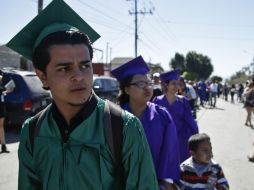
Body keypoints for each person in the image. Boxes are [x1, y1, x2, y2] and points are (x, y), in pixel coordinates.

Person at [7, 0, 159, 189]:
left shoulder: (122, 127)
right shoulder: (32, 131)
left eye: (85, 66)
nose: (79, 77)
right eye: (64, 68)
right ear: (42, 76)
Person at [111, 56, 180, 190]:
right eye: (141, 84)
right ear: (126, 89)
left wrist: (166, 180)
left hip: (154, 182)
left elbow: (169, 150)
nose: (147, 88)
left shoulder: (162, 115)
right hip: (121, 182)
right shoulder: (114, 117)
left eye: (148, 83)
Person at [152, 69, 199, 163]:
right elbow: (154, 122)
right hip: (164, 140)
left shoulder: (183, 101)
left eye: (177, 83)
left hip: (181, 140)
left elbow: (191, 122)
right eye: (173, 83)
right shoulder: (157, 101)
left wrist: (196, 141)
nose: (176, 86)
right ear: (166, 85)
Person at [0, 71, 10, 153]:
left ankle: (3, 146)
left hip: (1, 106)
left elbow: (2, 92)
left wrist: (7, 91)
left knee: (1, 126)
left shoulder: (1, 83)